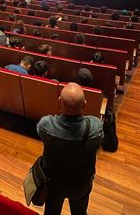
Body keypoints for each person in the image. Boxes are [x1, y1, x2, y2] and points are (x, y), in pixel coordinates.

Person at [37, 83, 103, 215]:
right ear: (84, 104)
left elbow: (39, 130)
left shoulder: (46, 125)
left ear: (59, 102)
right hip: (81, 184)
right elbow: (96, 125)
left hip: (53, 184)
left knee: (51, 213)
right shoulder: (96, 127)